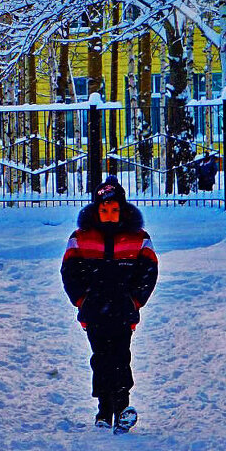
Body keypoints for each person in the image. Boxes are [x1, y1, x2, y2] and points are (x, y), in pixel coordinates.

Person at [61, 174, 158, 434]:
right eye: (104, 209)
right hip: (93, 311)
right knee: (101, 357)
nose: (110, 214)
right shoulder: (81, 237)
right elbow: (69, 271)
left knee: (121, 356)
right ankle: (104, 409)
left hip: (123, 311)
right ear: (97, 209)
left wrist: (135, 300)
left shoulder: (138, 237)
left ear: (122, 210)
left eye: (115, 209)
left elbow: (149, 271)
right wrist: (82, 299)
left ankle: (122, 407)